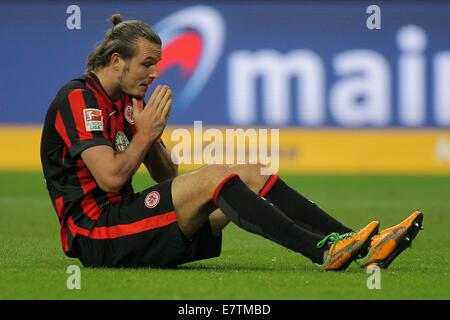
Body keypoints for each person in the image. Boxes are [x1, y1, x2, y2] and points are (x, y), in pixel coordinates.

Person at [40, 14, 423, 271]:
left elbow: (165, 175)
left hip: (127, 220)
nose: (156, 73)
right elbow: (109, 178)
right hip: (97, 234)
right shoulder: (79, 99)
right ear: (116, 60)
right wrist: (143, 134)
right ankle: (324, 250)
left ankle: (357, 241)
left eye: (158, 64)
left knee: (250, 171)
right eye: (147, 63)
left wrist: (151, 136)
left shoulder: (128, 98)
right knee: (215, 177)